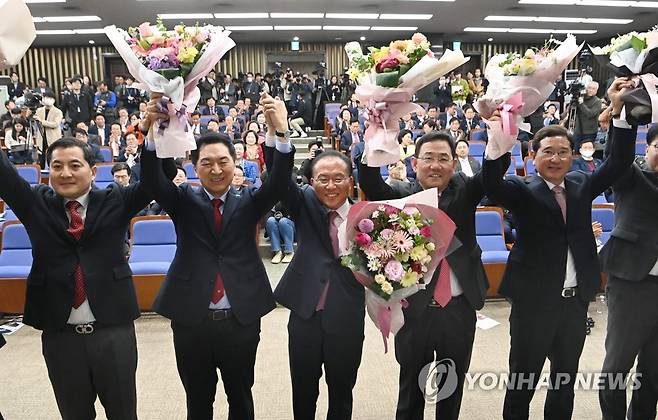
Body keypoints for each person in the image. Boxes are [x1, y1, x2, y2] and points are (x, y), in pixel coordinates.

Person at [480, 78, 637, 420]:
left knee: (564, 383)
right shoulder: (521, 189)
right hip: (533, 303)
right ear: (533, 156)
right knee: (523, 381)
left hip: (574, 303)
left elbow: (619, 161)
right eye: (547, 151)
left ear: (572, 156)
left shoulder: (582, 183)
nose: (555, 158)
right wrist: (498, 139)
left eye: (563, 151)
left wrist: (621, 113)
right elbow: (490, 183)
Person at [140, 92, 294, 420]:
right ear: (194, 167)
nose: (215, 169)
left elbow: (280, 182)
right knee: (198, 400)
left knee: (241, 396)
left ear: (234, 164)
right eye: (207, 162)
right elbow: (153, 180)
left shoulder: (251, 199)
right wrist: (152, 131)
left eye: (223, 161)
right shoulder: (183, 200)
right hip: (191, 319)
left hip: (240, 319)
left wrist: (280, 133)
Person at [0, 135, 174, 420]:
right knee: (74, 414)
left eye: (74, 165)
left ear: (93, 171)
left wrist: (155, 136)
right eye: (57, 166)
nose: (65, 173)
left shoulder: (116, 198)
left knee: (123, 413)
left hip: (113, 332)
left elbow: (160, 178)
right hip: (60, 337)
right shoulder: (35, 203)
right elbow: (4, 177)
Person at [357, 129, 508, 420]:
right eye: (428, 158)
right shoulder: (401, 194)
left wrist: (500, 130)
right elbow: (370, 183)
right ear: (415, 163)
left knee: (450, 387)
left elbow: (492, 174)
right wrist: (374, 138)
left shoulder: (465, 191)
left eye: (443, 159)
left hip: (458, 307)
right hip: (415, 309)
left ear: (454, 164)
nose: (435, 165)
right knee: (411, 388)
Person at [264, 145, 365, 420]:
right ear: (311, 183)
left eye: (338, 178)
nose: (331, 186)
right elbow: (278, 179)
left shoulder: (368, 218)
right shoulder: (305, 204)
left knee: (342, 392)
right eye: (323, 179)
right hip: (305, 315)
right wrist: (279, 137)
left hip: (346, 317)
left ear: (350, 181)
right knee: (303, 391)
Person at [598, 124, 658, 420]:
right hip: (633, 284)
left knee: (654, 371)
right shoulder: (630, 176)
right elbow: (617, 156)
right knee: (616, 368)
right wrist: (621, 119)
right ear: (647, 149)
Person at [573, 81, 603, 148]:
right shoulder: (581, 98)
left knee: (587, 151)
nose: (590, 90)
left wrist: (581, 104)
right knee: (576, 150)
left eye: (593, 89)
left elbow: (590, 114)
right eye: (589, 88)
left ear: (596, 90)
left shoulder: (597, 101)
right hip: (578, 130)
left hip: (590, 132)